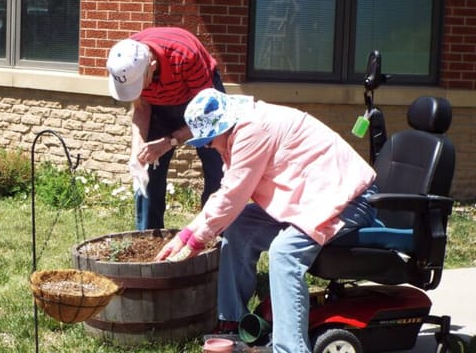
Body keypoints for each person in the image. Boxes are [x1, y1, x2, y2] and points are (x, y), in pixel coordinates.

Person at [155, 89, 378, 353]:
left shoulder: (253, 130)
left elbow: (233, 195)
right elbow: (227, 194)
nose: (207, 146)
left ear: (223, 126)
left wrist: (195, 241)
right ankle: (232, 323)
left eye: (209, 139)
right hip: (313, 197)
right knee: (238, 227)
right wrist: (185, 234)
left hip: (349, 199)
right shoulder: (239, 129)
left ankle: (290, 348)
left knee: (284, 253)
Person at [106, 27, 225, 230]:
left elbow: (208, 116)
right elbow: (141, 107)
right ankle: (148, 240)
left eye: (139, 85)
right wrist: (138, 151)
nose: (138, 90)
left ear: (151, 66)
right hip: (159, 108)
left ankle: (215, 237)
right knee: (148, 172)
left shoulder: (185, 55)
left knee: (217, 171)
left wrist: (169, 141)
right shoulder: (124, 61)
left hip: (199, 102)